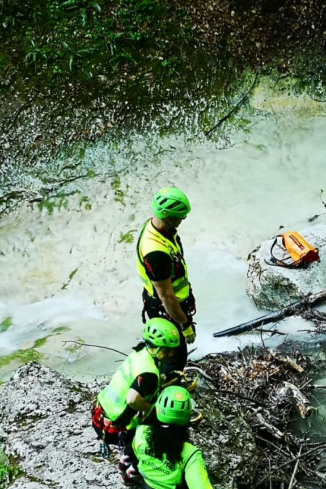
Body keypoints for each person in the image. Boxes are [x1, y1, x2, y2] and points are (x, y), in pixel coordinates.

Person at [91, 317, 182, 484]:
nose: (171, 355)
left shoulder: (140, 353)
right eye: (166, 350)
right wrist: (151, 410)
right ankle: (132, 471)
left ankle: (126, 459)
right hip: (117, 426)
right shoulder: (149, 373)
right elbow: (133, 399)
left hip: (101, 414)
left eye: (173, 350)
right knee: (157, 431)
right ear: (155, 348)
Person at [137, 186, 196, 375]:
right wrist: (185, 324)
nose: (183, 220)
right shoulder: (155, 252)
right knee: (175, 355)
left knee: (169, 352)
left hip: (172, 302)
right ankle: (166, 388)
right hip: (166, 308)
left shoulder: (161, 229)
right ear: (169, 217)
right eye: (181, 216)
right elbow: (167, 296)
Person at [127, 386, 213, 489]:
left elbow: (136, 454)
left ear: (157, 410)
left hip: (146, 483)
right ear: (188, 418)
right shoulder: (191, 455)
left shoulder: (141, 432)